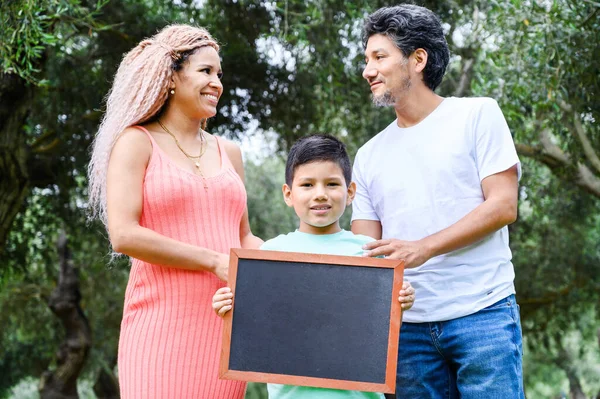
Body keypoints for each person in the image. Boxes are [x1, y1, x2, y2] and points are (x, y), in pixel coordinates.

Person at [351, 5, 524, 398]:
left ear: (417, 60)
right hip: (407, 329)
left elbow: (502, 205)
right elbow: (364, 250)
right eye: (366, 60)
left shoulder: (477, 115)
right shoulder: (369, 155)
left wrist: (424, 248)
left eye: (379, 57)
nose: (368, 70)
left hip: (484, 313)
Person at [87, 25, 262, 399]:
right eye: (205, 71)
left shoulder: (229, 152)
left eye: (219, 74)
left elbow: (245, 237)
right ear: (170, 77)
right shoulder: (136, 142)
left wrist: (299, 261)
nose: (217, 82)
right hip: (161, 326)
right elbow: (124, 234)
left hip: (227, 325)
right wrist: (214, 261)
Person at [212, 134, 416, 399]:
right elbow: (255, 324)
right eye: (307, 184)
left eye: (332, 184)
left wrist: (402, 299)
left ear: (350, 191)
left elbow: (381, 333)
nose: (320, 194)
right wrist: (227, 305)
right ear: (288, 194)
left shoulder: (370, 252)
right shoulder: (270, 255)